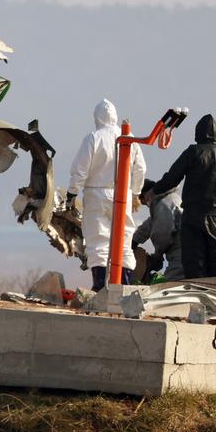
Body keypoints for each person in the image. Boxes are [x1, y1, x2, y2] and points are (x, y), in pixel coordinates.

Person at [65, 98, 147, 290]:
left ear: (97, 118)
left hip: (96, 195)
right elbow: (141, 168)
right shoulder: (130, 138)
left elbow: (80, 170)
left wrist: (72, 193)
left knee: (98, 241)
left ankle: (100, 288)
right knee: (124, 241)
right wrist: (135, 193)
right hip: (123, 195)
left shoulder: (93, 138)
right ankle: (124, 287)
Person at [149, 114, 216, 279]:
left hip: (193, 217)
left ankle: (197, 302)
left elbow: (172, 178)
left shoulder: (192, 152)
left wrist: (154, 190)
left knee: (194, 264)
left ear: (198, 133)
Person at [132, 179, 183, 281]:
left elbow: (163, 235)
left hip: (181, 256)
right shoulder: (166, 201)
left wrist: (157, 256)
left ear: (146, 195)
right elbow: (150, 224)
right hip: (181, 253)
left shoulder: (164, 204)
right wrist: (133, 241)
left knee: (173, 286)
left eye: (142, 200)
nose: (143, 203)